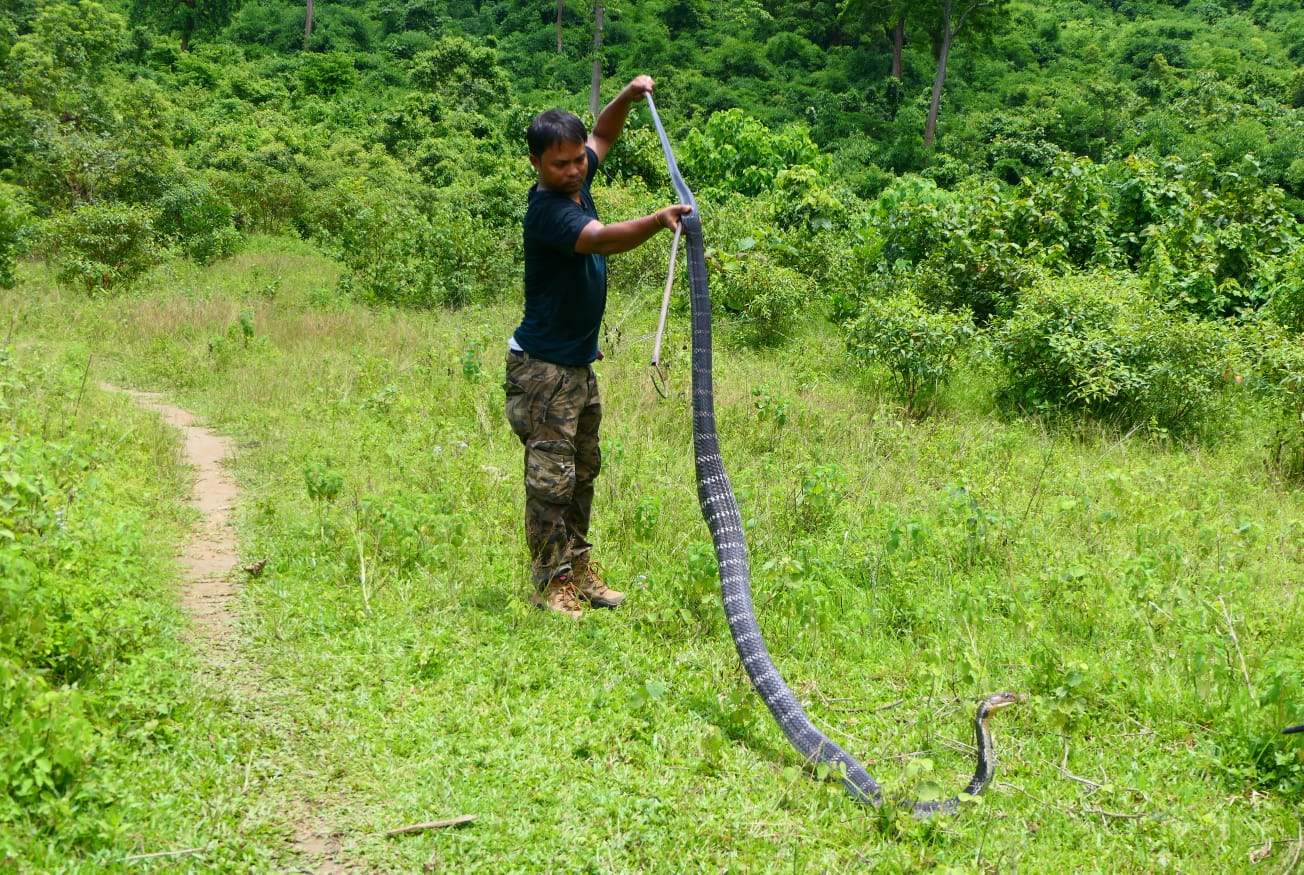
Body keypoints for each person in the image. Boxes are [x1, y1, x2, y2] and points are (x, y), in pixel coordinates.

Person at [505, 75, 691, 618]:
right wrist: (656, 221)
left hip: (578, 367)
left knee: (583, 472)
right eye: (560, 164)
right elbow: (601, 239)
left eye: (577, 161)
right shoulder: (549, 211)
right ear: (536, 164)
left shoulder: (577, 180)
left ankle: (578, 569)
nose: (574, 170)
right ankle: (550, 583)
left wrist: (627, 97)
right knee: (551, 481)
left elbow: (603, 136)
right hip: (543, 372)